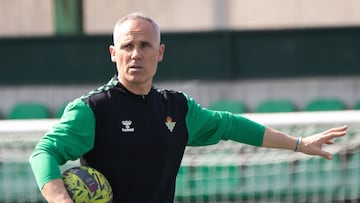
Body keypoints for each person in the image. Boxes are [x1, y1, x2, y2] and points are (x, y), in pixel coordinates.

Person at [29, 12, 348, 203]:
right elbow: (43, 153)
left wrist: (299, 144)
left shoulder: (176, 108)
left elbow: (230, 125)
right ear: (114, 53)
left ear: (160, 52)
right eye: (127, 46)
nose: (136, 54)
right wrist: (60, 198)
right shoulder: (92, 109)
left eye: (145, 45)